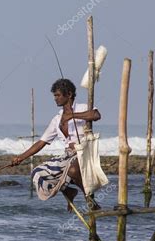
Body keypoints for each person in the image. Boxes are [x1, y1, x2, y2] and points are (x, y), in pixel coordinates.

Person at [11, 79, 101, 211]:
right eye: (54, 95)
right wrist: (21, 157)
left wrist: (72, 115)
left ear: (69, 94)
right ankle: (69, 191)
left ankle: (89, 199)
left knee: (73, 170)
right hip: (68, 155)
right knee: (37, 173)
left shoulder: (82, 107)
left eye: (58, 95)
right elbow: (42, 142)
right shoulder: (57, 119)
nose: (55, 98)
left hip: (85, 152)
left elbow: (96, 115)